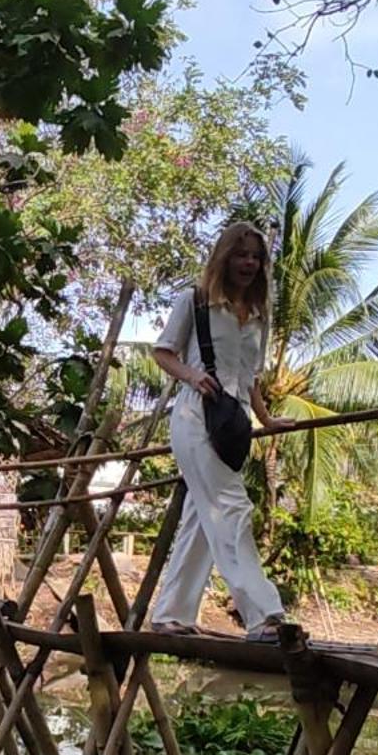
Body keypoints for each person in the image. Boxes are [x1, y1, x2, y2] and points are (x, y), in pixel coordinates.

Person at [147, 221, 288, 642]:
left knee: (202, 516)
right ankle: (264, 615)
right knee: (230, 506)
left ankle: (171, 614)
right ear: (225, 257)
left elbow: (251, 377)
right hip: (195, 416)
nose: (248, 263)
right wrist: (191, 375)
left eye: (255, 257)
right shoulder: (196, 301)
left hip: (235, 423)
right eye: (241, 254)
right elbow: (162, 351)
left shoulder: (260, 315)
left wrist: (266, 419)